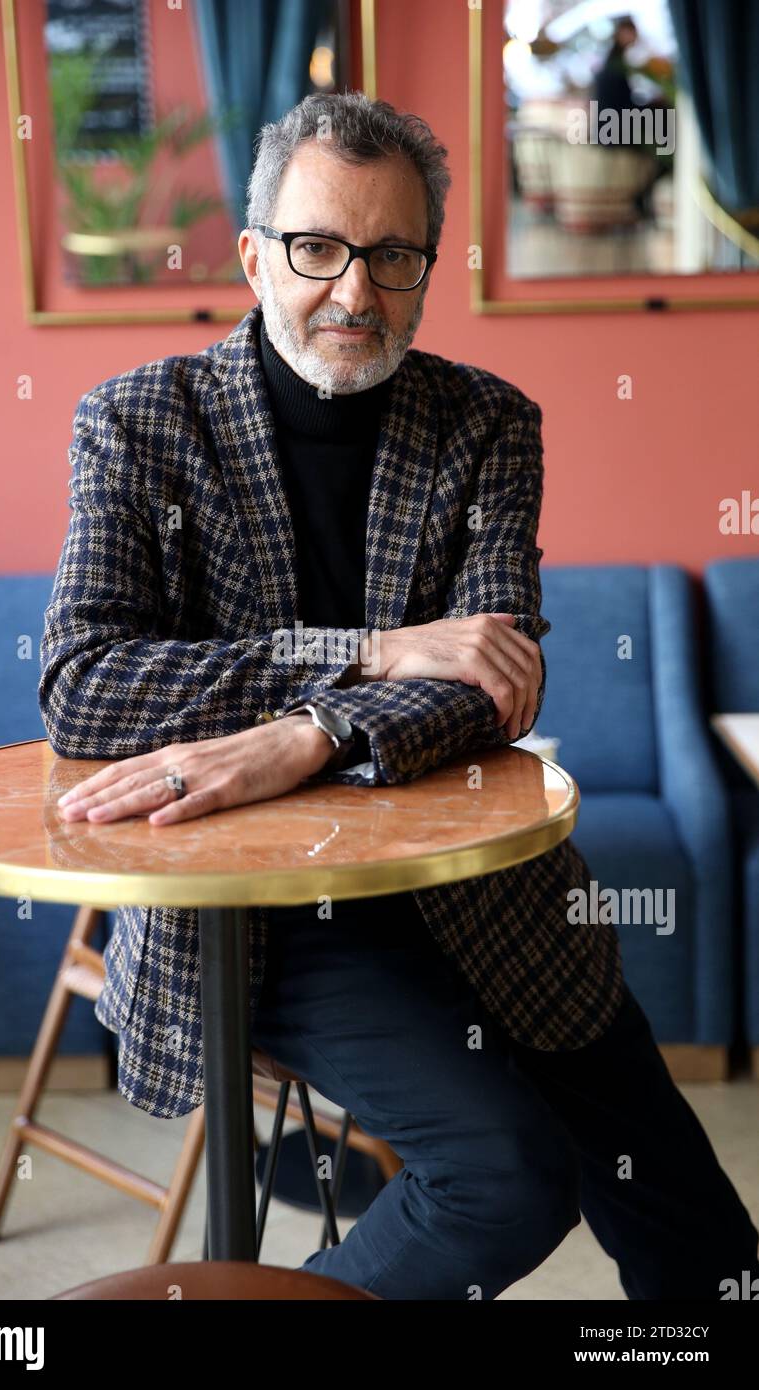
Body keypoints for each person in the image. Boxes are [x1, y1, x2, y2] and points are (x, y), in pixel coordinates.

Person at [39, 91, 759, 1300]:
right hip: (274, 916)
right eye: (319, 248)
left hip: (486, 886)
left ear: (429, 263)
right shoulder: (136, 422)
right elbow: (86, 686)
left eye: (393, 255)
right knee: (504, 1176)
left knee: (710, 1257)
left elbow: (490, 678)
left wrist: (297, 733)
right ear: (255, 251)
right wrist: (370, 653)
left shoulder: (486, 423)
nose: (355, 292)